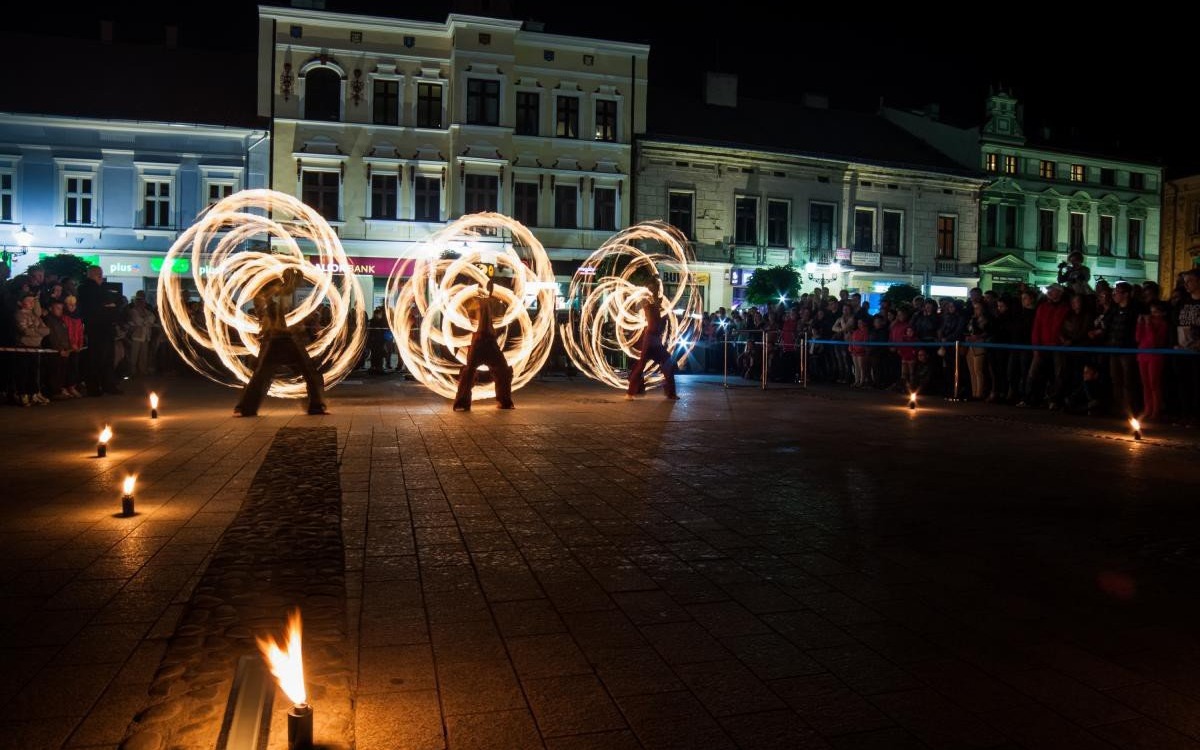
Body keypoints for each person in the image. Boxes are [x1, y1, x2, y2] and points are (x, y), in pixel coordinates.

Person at [235, 268, 327, 416]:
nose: (299, 285)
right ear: (290, 279)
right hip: (281, 339)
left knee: (263, 375)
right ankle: (316, 406)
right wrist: (285, 329)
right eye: (298, 282)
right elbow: (271, 318)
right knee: (309, 372)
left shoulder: (277, 293)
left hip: (276, 339)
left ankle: (246, 407)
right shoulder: (274, 293)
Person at [453, 275, 514, 411]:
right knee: (468, 372)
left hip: (491, 343)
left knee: (503, 370)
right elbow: (468, 313)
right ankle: (462, 402)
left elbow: (501, 314)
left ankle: (504, 401)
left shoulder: (493, 302)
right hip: (479, 342)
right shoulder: (473, 302)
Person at [626, 276, 678, 400]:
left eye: (654, 286)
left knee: (667, 362)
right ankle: (630, 393)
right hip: (650, 339)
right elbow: (637, 307)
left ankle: (671, 393)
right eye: (650, 287)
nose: (652, 289)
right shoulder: (646, 301)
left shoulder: (657, 301)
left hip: (655, 339)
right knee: (642, 365)